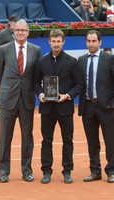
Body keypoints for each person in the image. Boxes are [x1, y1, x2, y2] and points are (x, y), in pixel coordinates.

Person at [0, 19, 41, 183]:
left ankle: (27, 170)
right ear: (13, 31)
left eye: (23, 30)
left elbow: (37, 76)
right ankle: (3, 171)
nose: (20, 32)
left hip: (27, 99)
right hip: (8, 99)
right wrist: (6, 89)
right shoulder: (3, 49)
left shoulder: (36, 50)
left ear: (28, 32)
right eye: (18, 30)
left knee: (27, 137)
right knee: (5, 137)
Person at [34, 29, 82, 184]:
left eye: (58, 41)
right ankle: (46, 171)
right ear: (49, 41)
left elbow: (79, 85)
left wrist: (67, 96)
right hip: (47, 108)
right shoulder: (41, 62)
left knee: (68, 140)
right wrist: (41, 94)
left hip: (65, 108)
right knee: (46, 140)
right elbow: (35, 83)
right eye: (53, 41)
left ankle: (67, 171)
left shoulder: (72, 62)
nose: (56, 44)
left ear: (63, 42)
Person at [78, 30, 114, 183]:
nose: (91, 44)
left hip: (106, 107)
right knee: (92, 142)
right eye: (89, 41)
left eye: (94, 41)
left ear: (100, 42)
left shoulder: (110, 59)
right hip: (88, 107)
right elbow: (77, 83)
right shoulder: (81, 60)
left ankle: (111, 171)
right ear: (85, 42)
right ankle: (95, 171)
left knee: (111, 141)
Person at [0, 16, 19, 119]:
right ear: (10, 23)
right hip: (5, 67)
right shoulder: (3, 33)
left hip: (16, 67)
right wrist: (1, 63)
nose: (17, 26)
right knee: (1, 88)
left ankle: (14, 110)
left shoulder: (17, 33)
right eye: (15, 23)